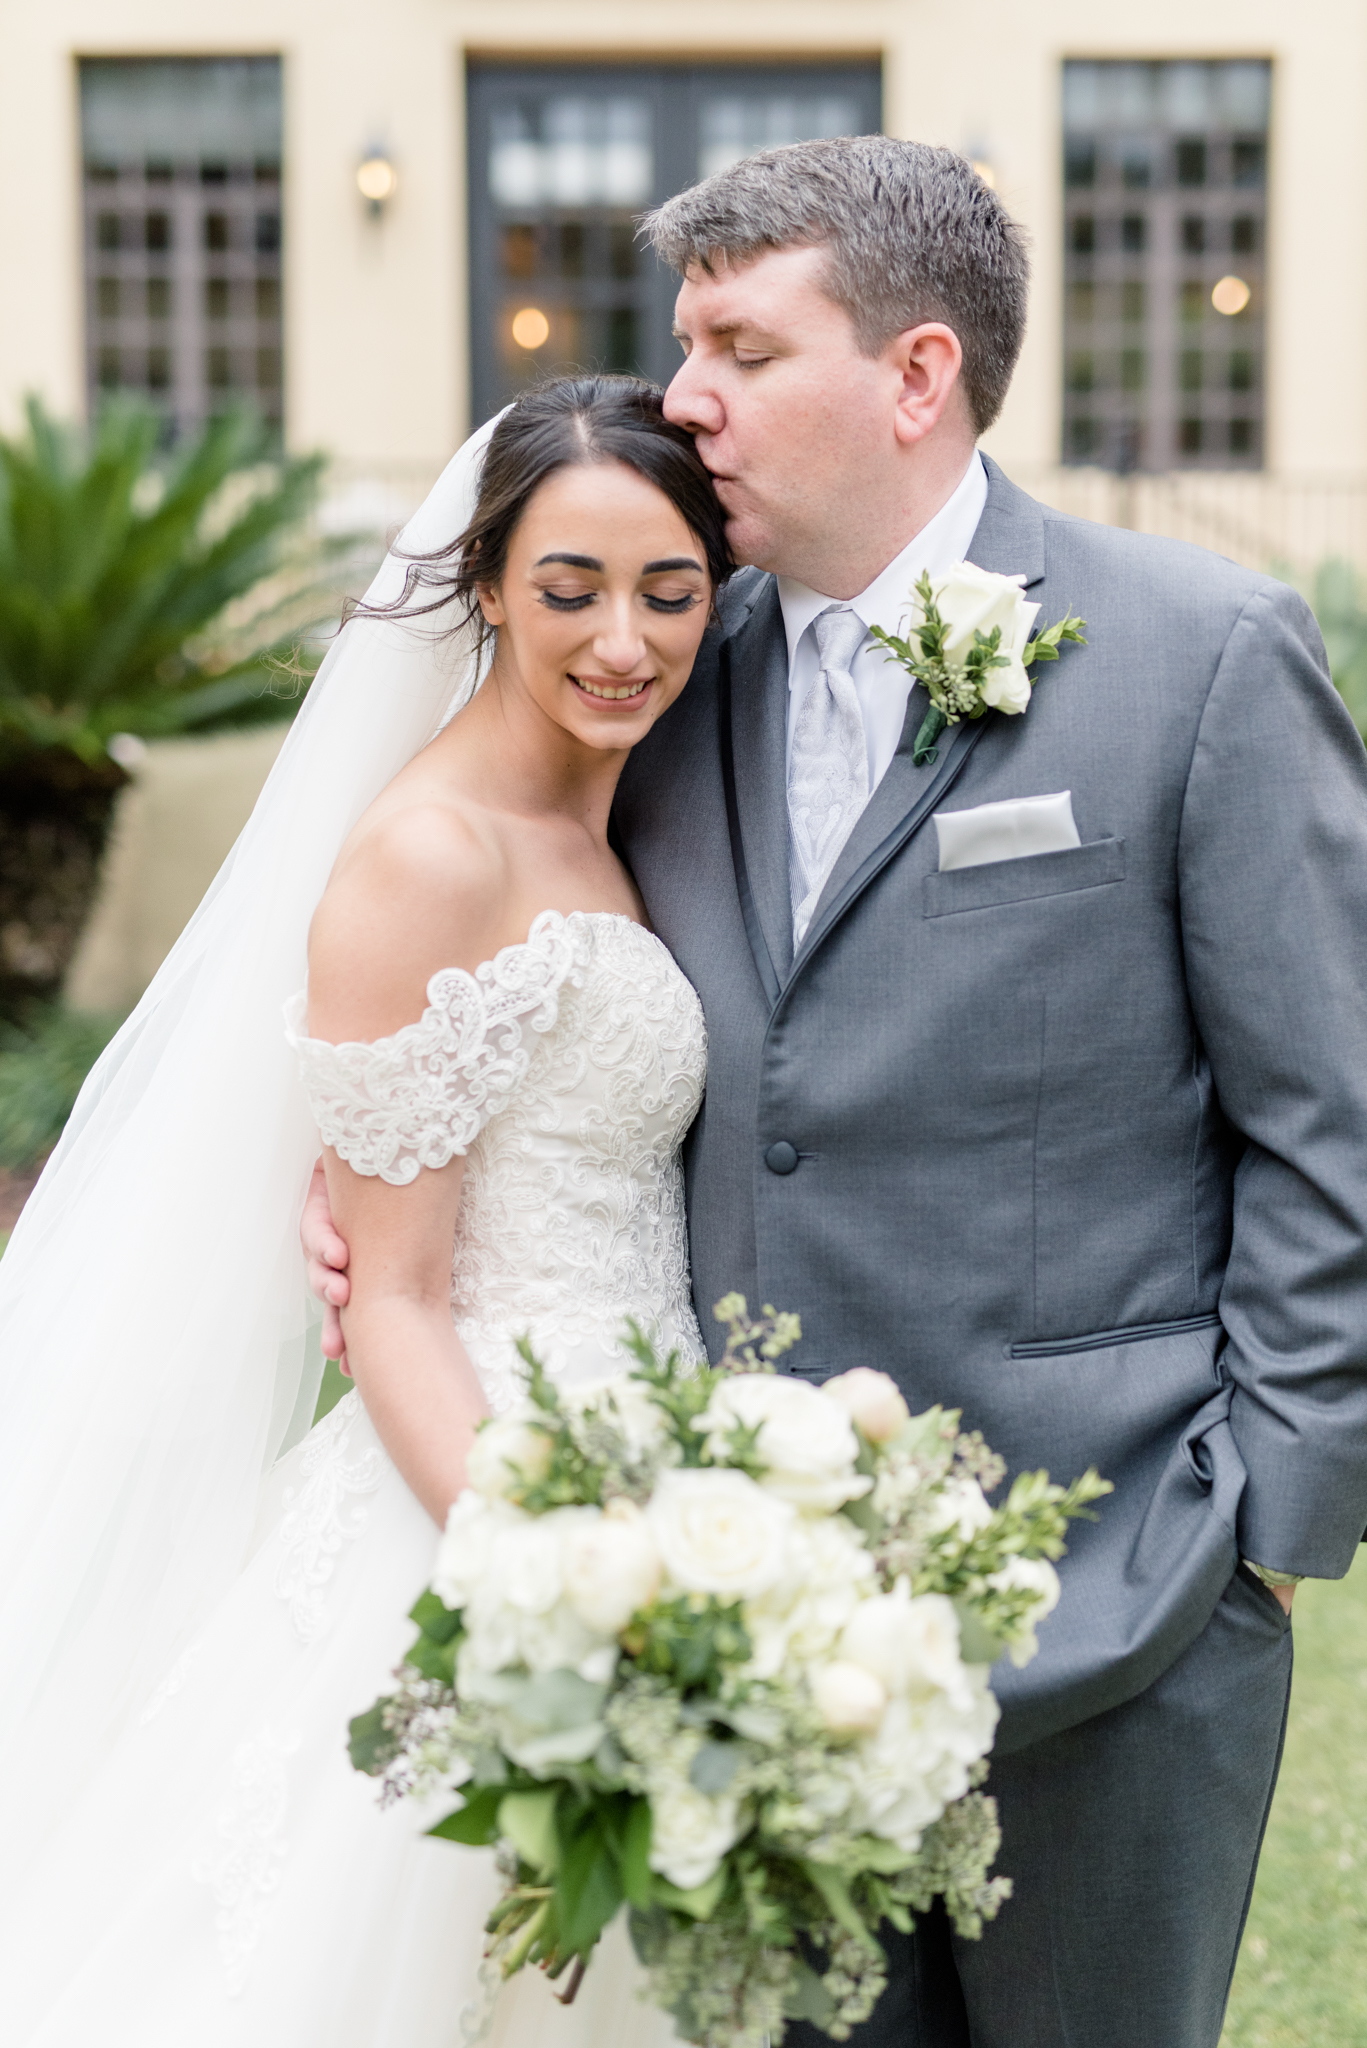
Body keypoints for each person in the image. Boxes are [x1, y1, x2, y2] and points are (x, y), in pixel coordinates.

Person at [305, 136, 1367, 2048]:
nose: (683, 392)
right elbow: (497, 966)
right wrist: (391, 1208)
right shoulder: (657, 663)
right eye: (683, 341)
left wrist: (1270, 1535)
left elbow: (1335, 1123)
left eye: (735, 344)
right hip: (741, 1618)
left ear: (914, 374)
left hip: (1118, 1590)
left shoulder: (1200, 660)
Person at [0, 378, 724, 2046]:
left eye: (668, 592)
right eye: (570, 590)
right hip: (476, 1505)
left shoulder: (610, 817)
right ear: (485, 587)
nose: (624, 639)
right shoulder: (430, 856)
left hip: (663, 1464)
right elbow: (391, 1301)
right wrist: (557, 1590)